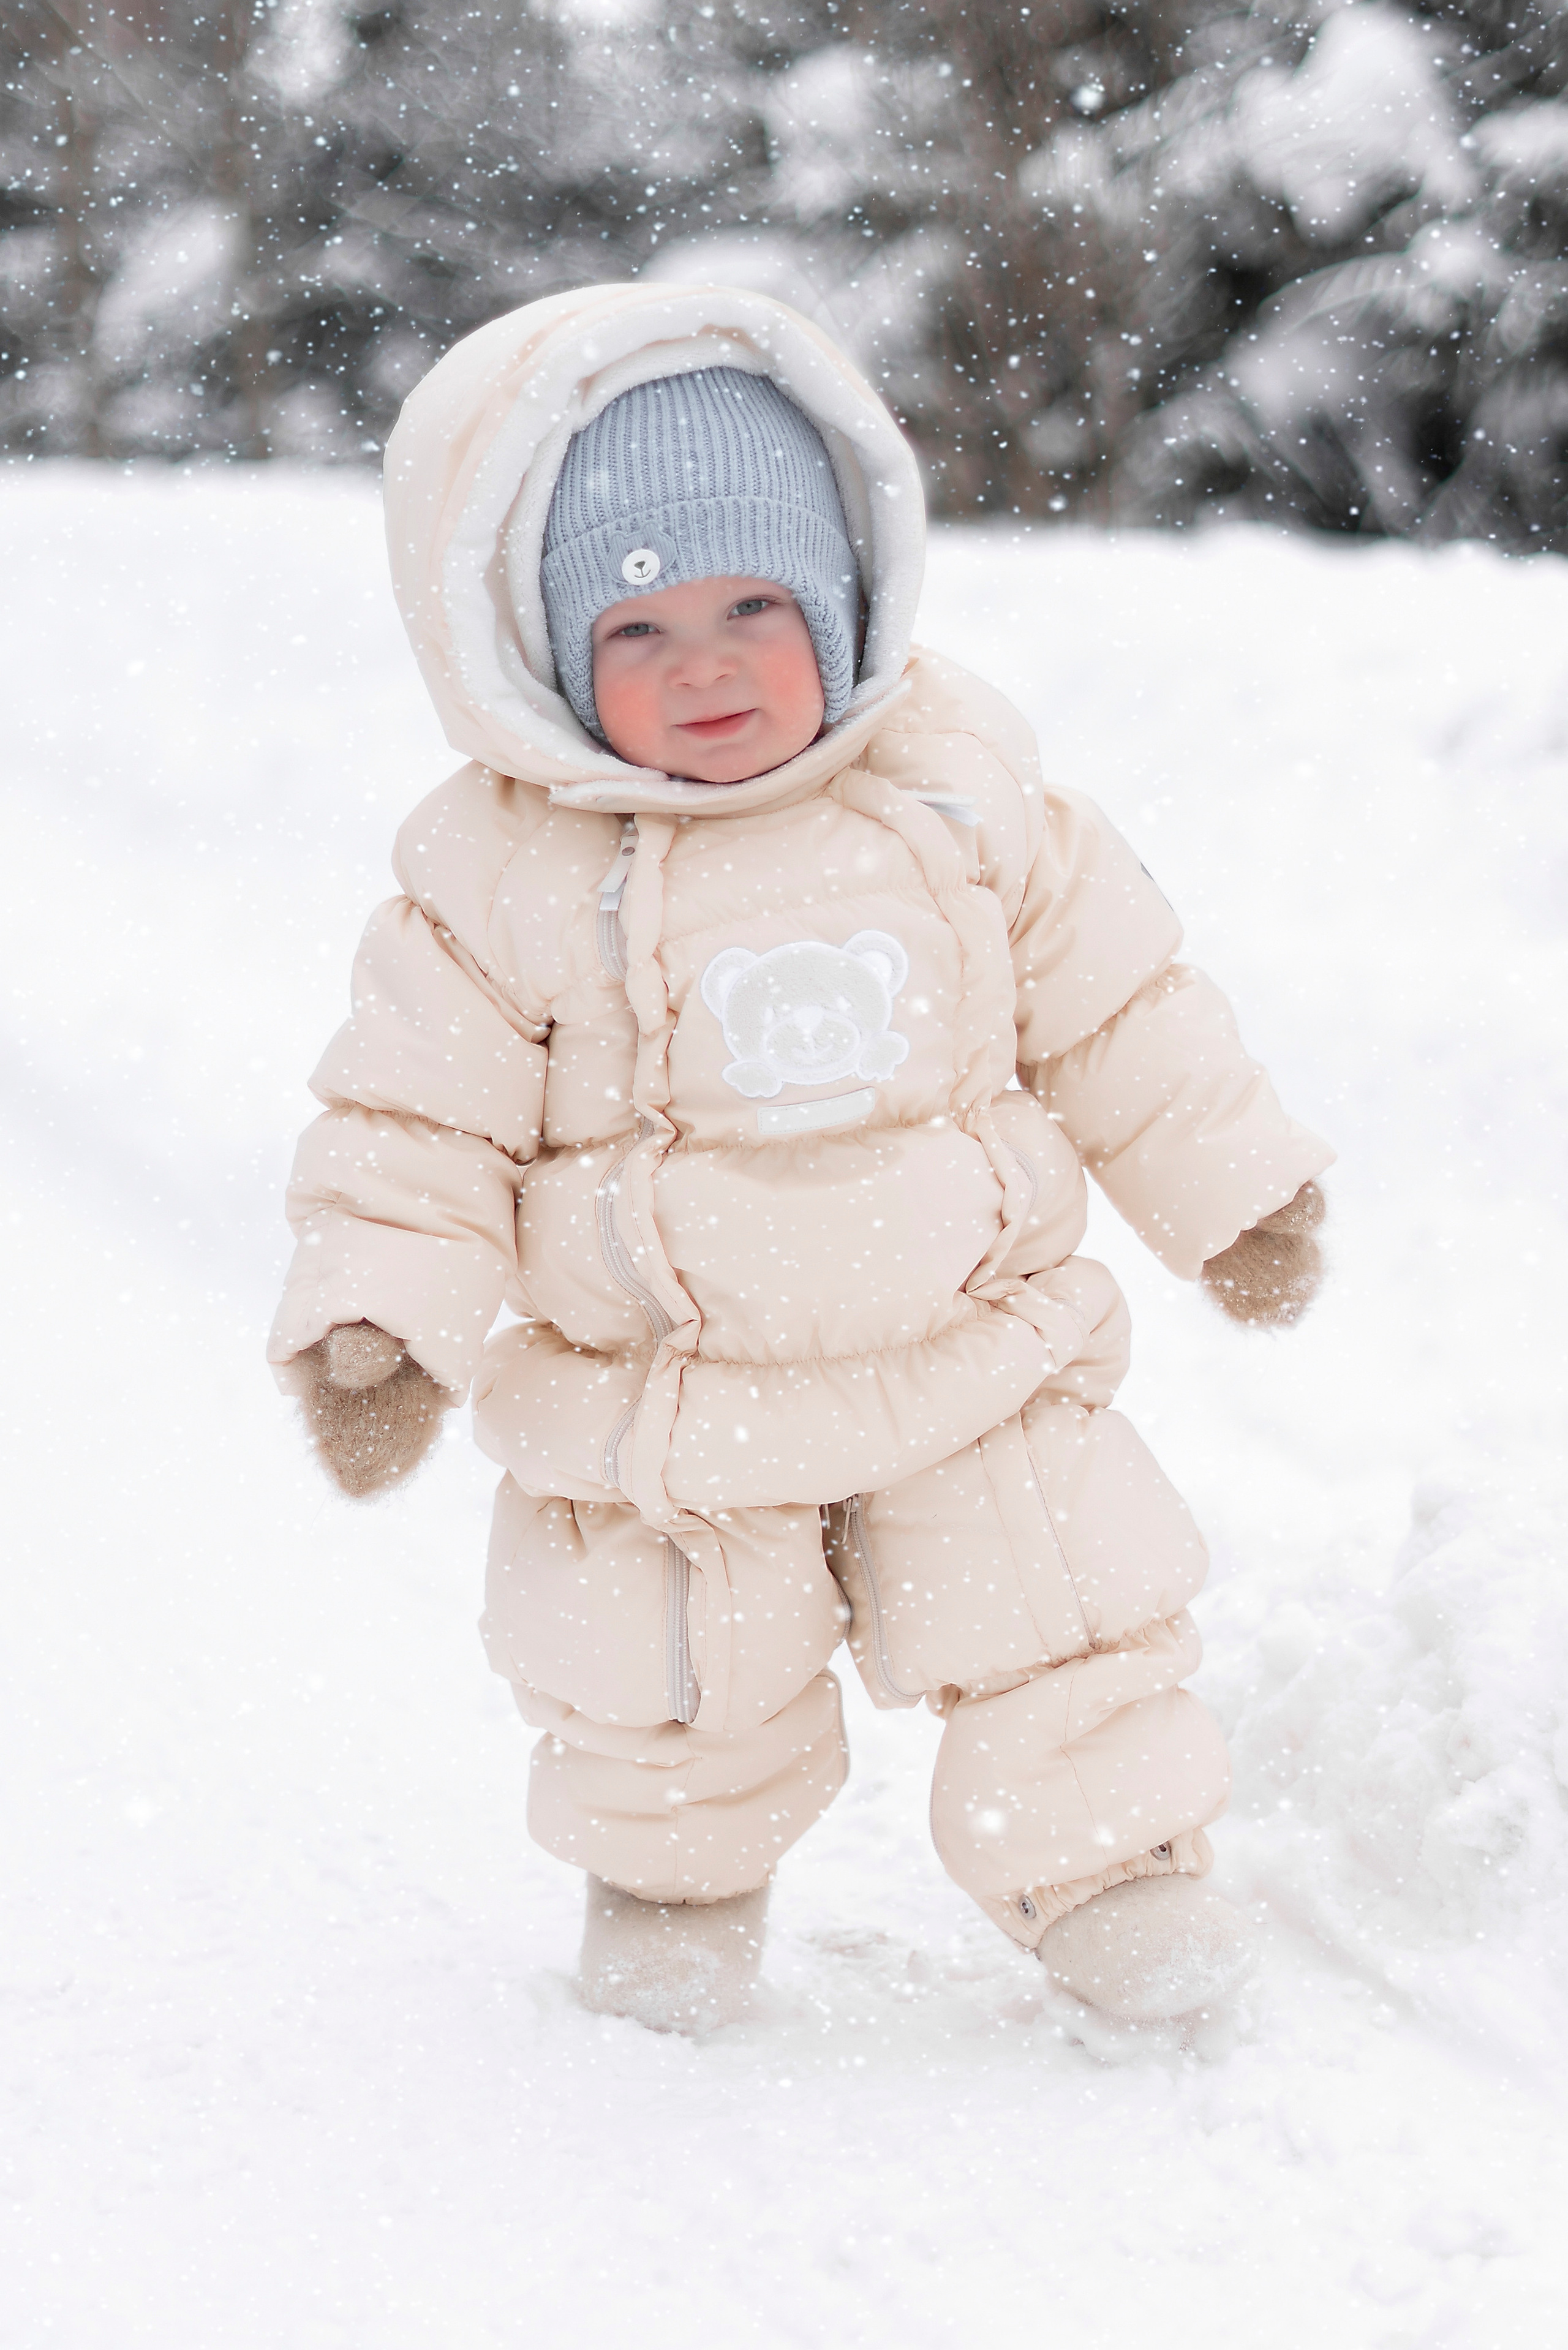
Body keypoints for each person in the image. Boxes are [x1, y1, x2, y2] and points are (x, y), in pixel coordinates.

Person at [270, 285, 1332, 2036]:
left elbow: (1124, 1005)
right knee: (666, 1677)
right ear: (542, 657)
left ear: (843, 603)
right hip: (671, 1403)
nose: (706, 664)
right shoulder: (500, 873)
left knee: (1062, 1610)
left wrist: (1236, 1187)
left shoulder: (958, 793)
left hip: (969, 1351)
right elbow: (412, 1121)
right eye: (639, 628)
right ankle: (675, 1893)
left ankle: (1115, 1876)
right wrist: (381, 1313)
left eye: (754, 606)